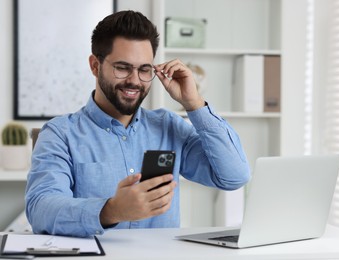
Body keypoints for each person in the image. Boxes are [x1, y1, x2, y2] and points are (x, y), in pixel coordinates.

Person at [25, 10, 251, 237]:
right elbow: (40, 208)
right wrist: (111, 210)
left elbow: (233, 177)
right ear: (95, 66)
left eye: (144, 69)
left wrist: (194, 103)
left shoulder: (169, 127)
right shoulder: (60, 134)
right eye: (122, 68)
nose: (134, 80)